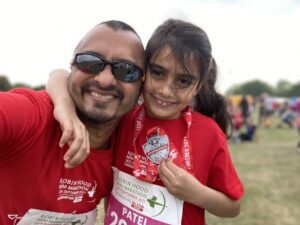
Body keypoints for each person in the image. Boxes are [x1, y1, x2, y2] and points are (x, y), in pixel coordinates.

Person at [48, 19, 244, 225]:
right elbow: (58, 75)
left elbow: (233, 207)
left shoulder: (208, 133)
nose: (165, 90)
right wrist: (65, 110)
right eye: (158, 73)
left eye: (183, 81)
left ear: (198, 86)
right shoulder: (123, 117)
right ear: (143, 72)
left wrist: (195, 193)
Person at [0, 20, 144, 225]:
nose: (105, 80)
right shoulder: (32, 116)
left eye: (126, 69)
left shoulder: (131, 144)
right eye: (90, 62)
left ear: (142, 87)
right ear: (73, 67)